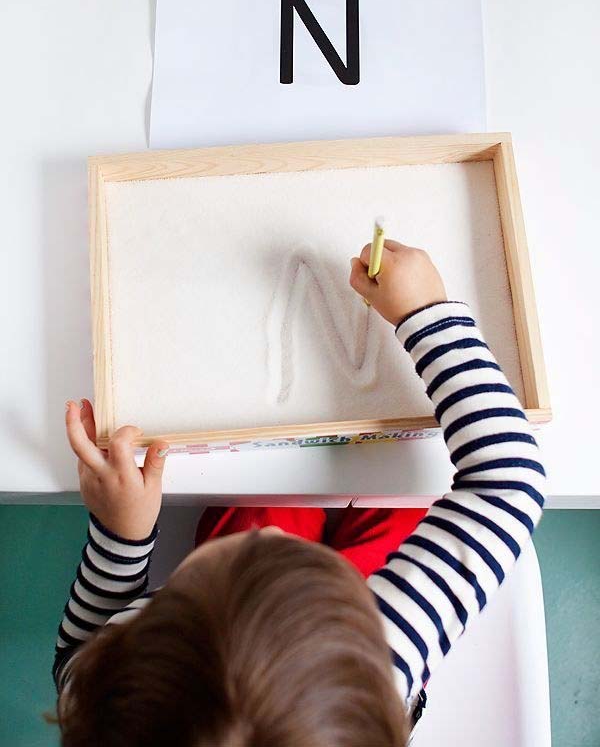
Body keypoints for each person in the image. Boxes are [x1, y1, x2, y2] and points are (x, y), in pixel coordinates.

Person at [53, 240, 546, 747]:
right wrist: (429, 317)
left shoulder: (105, 695)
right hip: (352, 656)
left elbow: (79, 652)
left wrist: (121, 537)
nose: (266, 534)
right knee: (400, 495)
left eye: (237, 562)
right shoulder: (372, 655)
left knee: (254, 504)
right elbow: (507, 482)